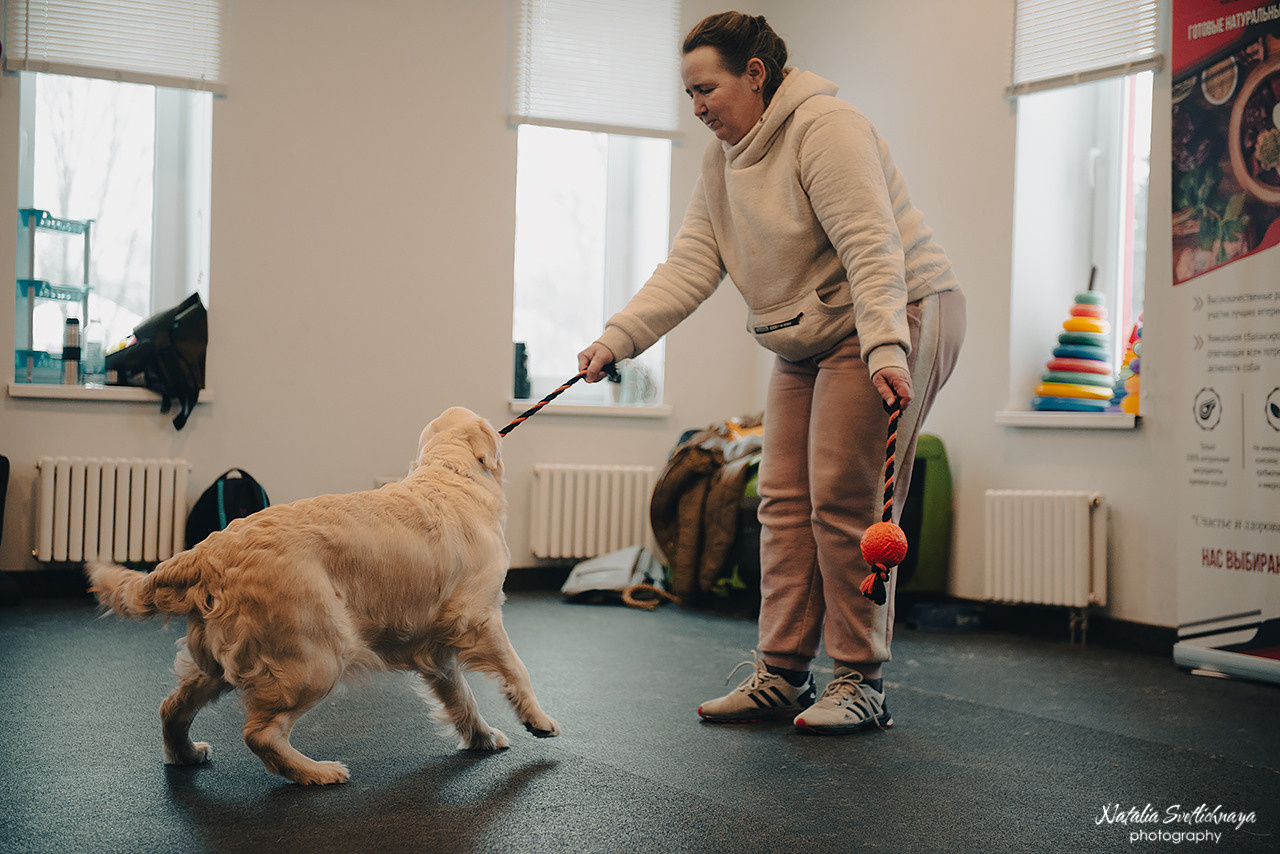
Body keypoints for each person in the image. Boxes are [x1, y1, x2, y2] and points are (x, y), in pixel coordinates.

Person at [578, 11, 965, 735]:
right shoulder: (722, 162)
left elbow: (872, 245)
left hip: (893, 310)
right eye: (688, 94)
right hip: (806, 332)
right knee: (782, 501)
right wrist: (618, 339)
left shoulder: (825, 127)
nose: (698, 108)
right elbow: (692, 263)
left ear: (755, 74)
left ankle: (860, 680)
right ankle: (782, 673)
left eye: (707, 89)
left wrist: (887, 347)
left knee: (846, 503)